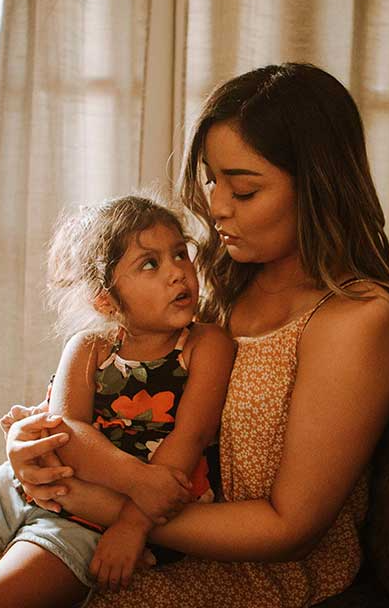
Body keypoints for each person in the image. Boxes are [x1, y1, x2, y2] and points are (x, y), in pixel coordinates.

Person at [4, 62, 389, 608]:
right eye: (212, 180)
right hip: (124, 526)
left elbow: (288, 530)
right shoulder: (218, 285)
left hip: (251, 572)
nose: (216, 207)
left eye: (244, 190)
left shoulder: (356, 320)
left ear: (317, 187)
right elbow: (113, 403)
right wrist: (32, 447)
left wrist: (105, 507)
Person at [0, 195, 235, 607]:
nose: (177, 272)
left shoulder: (206, 345)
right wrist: (137, 480)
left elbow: (191, 437)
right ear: (104, 298)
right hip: (19, 486)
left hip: (87, 521)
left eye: (179, 253)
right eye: (150, 264)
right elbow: (67, 432)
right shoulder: (89, 347)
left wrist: (131, 525)